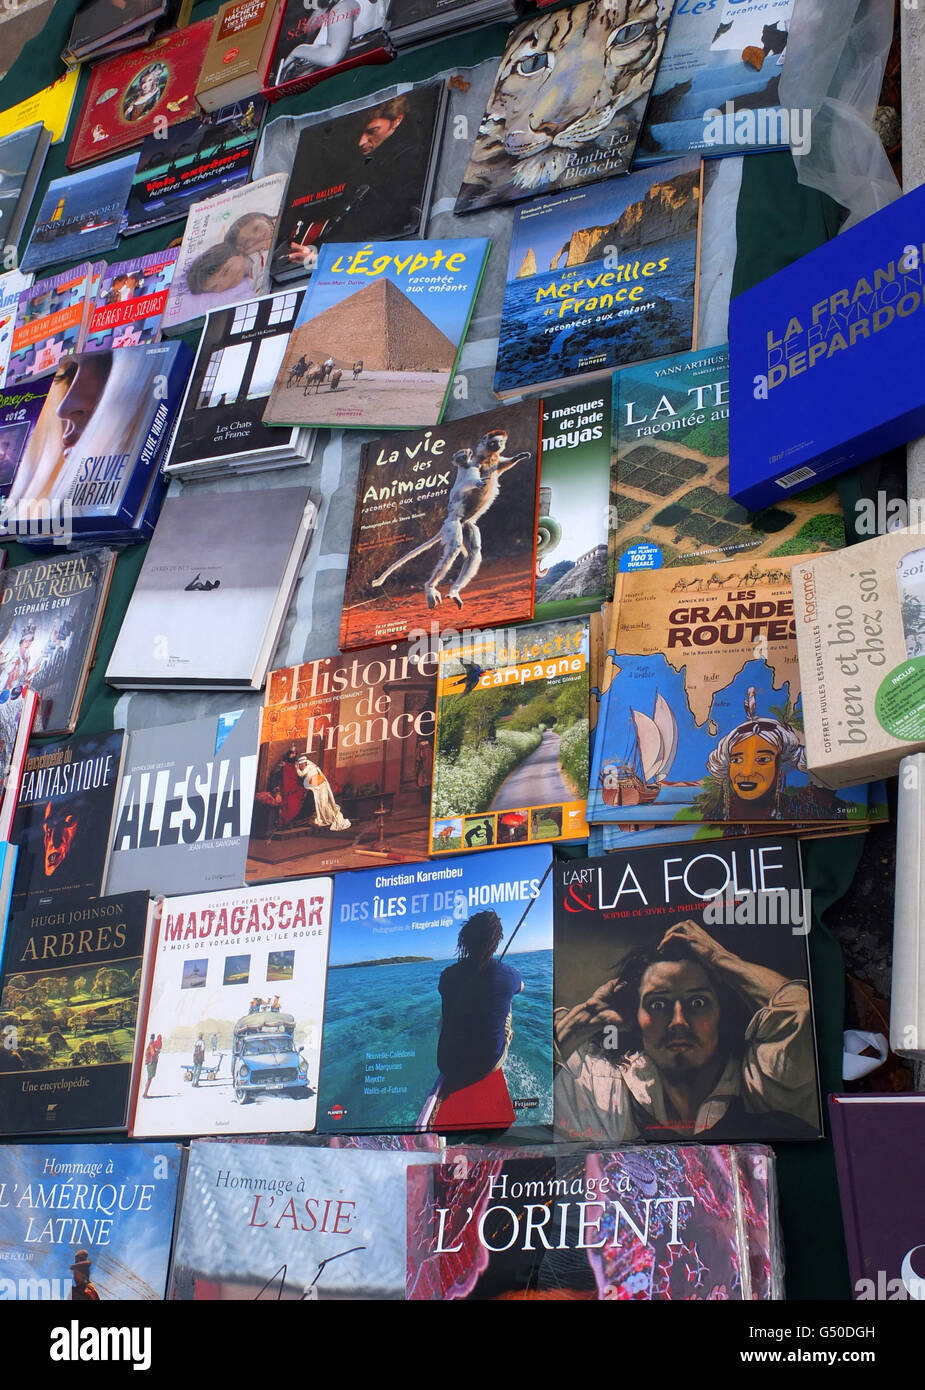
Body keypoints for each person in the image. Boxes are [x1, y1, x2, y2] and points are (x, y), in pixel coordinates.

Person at [554, 918, 819, 1142]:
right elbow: (527, 1100)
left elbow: (802, 1011)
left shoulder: (759, 1083)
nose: (678, 1021)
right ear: (636, 1018)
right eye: (658, 1004)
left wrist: (720, 958)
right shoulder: (610, 1093)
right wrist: (586, 1018)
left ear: (720, 1012)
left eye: (698, 1002)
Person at [436, 910, 524, 1096]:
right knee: (507, 1005)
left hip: (447, 1065)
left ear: (465, 940)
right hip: (487, 1065)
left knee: (445, 1013)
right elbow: (521, 986)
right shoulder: (509, 975)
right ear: (495, 941)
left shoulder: (446, 975)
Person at [143, 1033, 161, 1098]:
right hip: (151, 1063)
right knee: (149, 1079)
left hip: (149, 1062)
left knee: (149, 1079)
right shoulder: (151, 1044)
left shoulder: (151, 1044)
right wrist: (157, 1052)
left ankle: (145, 1093)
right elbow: (153, 1053)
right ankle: (145, 1093)